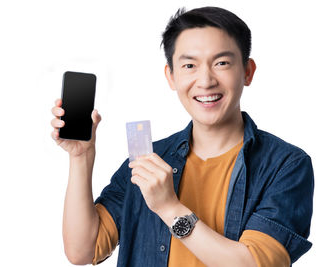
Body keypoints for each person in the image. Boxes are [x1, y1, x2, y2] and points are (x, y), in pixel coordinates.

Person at [51, 6, 314, 267]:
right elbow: (82, 251)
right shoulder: (147, 159)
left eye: (221, 63)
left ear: (247, 71)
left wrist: (168, 207)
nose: (205, 80)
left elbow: (255, 264)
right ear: (171, 76)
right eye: (189, 65)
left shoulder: (285, 165)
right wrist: (81, 158)